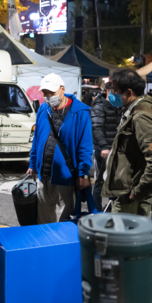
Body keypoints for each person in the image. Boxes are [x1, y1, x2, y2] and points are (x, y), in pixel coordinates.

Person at [27, 73, 93, 223]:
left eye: (51, 93)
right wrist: (32, 164)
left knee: (63, 221)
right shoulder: (43, 108)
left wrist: (83, 174)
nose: (48, 97)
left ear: (62, 89)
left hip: (65, 176)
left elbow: (85, 146)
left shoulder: (80, 112)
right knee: (43, 220)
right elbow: (37, 139)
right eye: (45, 93)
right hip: (44, 174)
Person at [101, 69, 152, 216]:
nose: (111, 95)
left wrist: (139, 190)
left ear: (129, 93)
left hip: (130, 194)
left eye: (115, 91)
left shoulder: (141, 116)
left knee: (122, 230)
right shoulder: (133, 110)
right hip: (126, 190)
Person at [90, 82, 122, 212]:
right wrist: (104, 146)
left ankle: (111, 210)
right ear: (108, 91)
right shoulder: (99, 106)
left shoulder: (119, 106)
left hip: (116, 150)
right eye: (117, 92)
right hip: (103, 150)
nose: (120, 95)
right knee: (100, 181)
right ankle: (96, 211)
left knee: (114, 181)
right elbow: (97, 128)